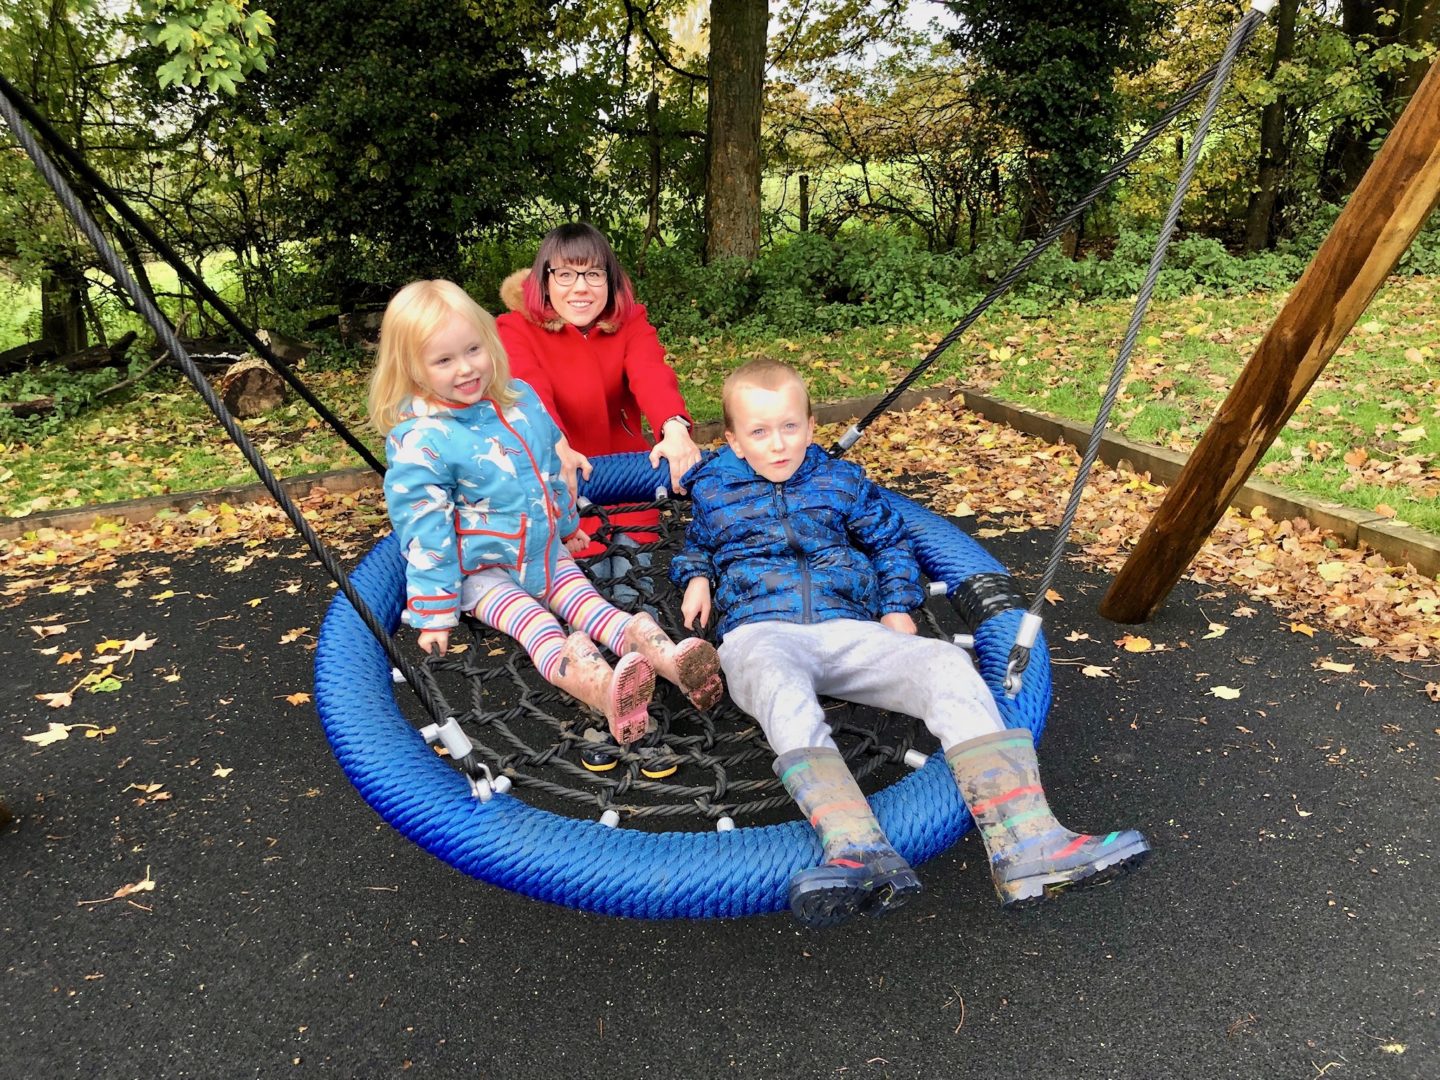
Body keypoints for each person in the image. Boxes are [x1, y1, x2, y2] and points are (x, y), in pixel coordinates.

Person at [670, 358, 1150, 929]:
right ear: (731, 440)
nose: (778, 445)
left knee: (945, 662)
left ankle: (1028, 842)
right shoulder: (714, 486)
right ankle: (856, 848)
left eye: (790, 427)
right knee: (777, 683)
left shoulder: (841, 482)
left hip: (849, 628)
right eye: (759, 432)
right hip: (760, 633)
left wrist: (896, 605)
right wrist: (695, 575)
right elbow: (696, 541)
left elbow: (890, 542)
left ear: (811, 425)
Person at [369, 280, 722, 767]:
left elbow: (550, 474)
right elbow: (424, 529)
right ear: (411, 368)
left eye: (473, 350)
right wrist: (434, 611)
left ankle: (667, 658)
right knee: (539, 625)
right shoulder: (421, 441)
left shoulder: (519, 401)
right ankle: (600, 688)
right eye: (444, 360)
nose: (467, 368)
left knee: (592, 606)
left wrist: (568, 525)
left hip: (544, 551)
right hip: (483, 573)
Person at [496, 223, 701, 498]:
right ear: (545, 280)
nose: (581, 288)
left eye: (593, 274)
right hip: (558, 478)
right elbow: (528, 390)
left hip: (629, 475)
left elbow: (651, 373)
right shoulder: (515, 328)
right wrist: (553, 442)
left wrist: (674, 427)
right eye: (565, 274)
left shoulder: (629, 320)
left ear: (609, 279)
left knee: (640, 540)